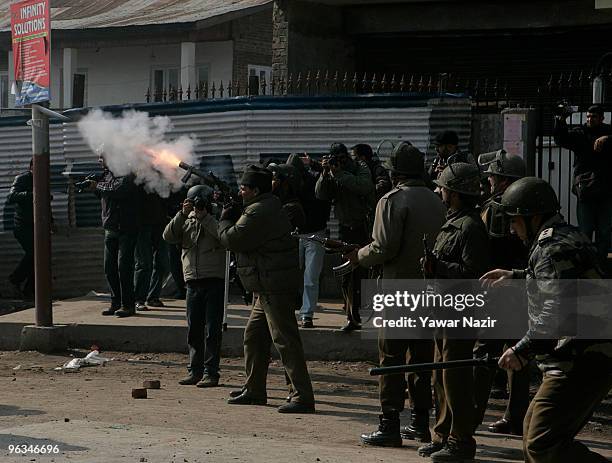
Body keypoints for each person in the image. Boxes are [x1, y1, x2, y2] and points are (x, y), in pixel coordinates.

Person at [482, 177, 611, 463]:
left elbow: (556, 309)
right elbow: (562, 282)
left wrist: (521, 349)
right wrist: (515, 276)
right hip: (582, 355)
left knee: (542, 443)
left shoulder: (551, 248)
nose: (513, 230)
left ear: (533, 217)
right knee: (534, 436)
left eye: (515, 222)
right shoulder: (564, 236)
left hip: (582, 359)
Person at [353, 143, 446, 447]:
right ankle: (420, 423)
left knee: (391, 359)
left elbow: (384, 247)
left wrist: (358, 255)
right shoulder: (437, 199)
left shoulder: (392, 200)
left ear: (394, 172)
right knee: (420, 359)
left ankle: (389, 424)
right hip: (429, 291)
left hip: (397, 291)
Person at [219, 165, 315, 413]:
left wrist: (224, 218)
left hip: (274, 286)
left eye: (244, 188)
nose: (240, 192)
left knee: (285, 340)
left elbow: (233, 239)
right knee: (254, 337)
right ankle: (254, 390)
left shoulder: (260, 210)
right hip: (266, 285)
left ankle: (302, 395)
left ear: (255, 190)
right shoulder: (264, 206)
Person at [419, 162, 490, 462]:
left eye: (444, 187)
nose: (439, 191)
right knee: (441, 375)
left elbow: (473, 274)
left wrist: (439, 267)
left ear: (457, 193)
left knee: (456, 378)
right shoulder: (454, 222)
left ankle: (461, 440)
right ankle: (442, 434)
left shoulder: (471, 227)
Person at [473, 150, 530, 435]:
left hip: (499, 287)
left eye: (494, 175)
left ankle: (470, 415)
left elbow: (489, 247)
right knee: (517, 354)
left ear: (505, 180)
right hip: (521, 285)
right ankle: (515, 416)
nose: (490, 180)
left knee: (484, 353)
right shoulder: (532, 202)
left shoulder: (497, 207)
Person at [163, 185, 226, 387]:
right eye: (193, 203)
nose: (197, 207)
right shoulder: (185, 219)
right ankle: (194, 370)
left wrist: (205, 217)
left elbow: (223, 237)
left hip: (214, 280)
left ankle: (211, 372)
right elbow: (168, 236)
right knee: (194, 330)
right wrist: (183, 214)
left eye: (200, 203)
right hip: (192, 281)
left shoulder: (218, 218)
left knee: (212, 330)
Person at [315, 142, 375, 331]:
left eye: (341, 158)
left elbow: (364, 187)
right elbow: (320, 194)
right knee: (346, 276)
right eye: (335, 159)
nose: (338, 162)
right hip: (344, 229)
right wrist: (325, 174)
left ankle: (362, 315)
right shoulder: (333, 172)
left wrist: (340, 173)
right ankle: (352, 316)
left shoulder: (359, 167)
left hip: (361, 228)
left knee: (362, 274)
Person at [553, 104, 612, 266]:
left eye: (593, 117)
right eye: (587, 117)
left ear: (601, 118)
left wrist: (608, 138)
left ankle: (600, 263)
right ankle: (586, 263)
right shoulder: (580, 133)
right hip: (586, 191)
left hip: (606, 190)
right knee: (585, 230)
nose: (589, 120)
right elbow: (561, 138)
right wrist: (561, 119)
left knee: (605, 232)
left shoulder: (608, 131)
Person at [87, 152, 140, 317]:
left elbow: (119, 189)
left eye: (103, 157)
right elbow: (104, 194)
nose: (100, 160)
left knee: (124, 268)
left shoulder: (127, 173)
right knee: (109, 268)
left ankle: (128, 305)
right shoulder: (106, 175)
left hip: (126, 228)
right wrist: (92, 186)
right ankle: (115, 303)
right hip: (111, 228)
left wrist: (98, 186)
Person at [287, 153, 331, 329]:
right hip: (298, 234)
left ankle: (306, 315)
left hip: (314, 234)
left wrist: (316, 165)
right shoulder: (290, 184)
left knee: (310, 277)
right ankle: (300, 312)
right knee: (300, 277)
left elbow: (327, 181)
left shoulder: (313, 180)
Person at [134, 190, 170, 310]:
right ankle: (139, 299)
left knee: (162, 263)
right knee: (144, 264)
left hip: (160, 223)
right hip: (142, 224)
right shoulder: (135, 174)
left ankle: (153, 297)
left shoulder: (162, 173)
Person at [7, 159, 34, 298]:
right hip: (22, 226)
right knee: (34, 254)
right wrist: (31, 195)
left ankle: (30, 290)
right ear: (31, 167)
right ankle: (15, 279)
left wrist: (51, 221)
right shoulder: (22, 178)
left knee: (40, 257)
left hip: (36, 226)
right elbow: (11, 196)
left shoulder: (43, 180)